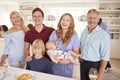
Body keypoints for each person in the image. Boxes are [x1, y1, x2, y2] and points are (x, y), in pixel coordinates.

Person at [80, 9, 111, 80]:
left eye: (94, 18)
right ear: (87, 19)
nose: (92, 20)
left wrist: (99, 76)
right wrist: (80, 55)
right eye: (90, 18)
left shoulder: (103, 35)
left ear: (98, 20)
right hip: (83, 64)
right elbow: (82, 46)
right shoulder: (84, 32)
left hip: (94, 66)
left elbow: (105, 57)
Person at [46, 13, 80, 78]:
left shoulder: (74, 36)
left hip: (67, 68)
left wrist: (67, 61)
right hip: (55, 66)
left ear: (71, 23)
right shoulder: (54, 33)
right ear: (60, 21)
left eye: (67, 20)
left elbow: (76, 52)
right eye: (63, 19)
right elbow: (48, 46)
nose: (64, 22)